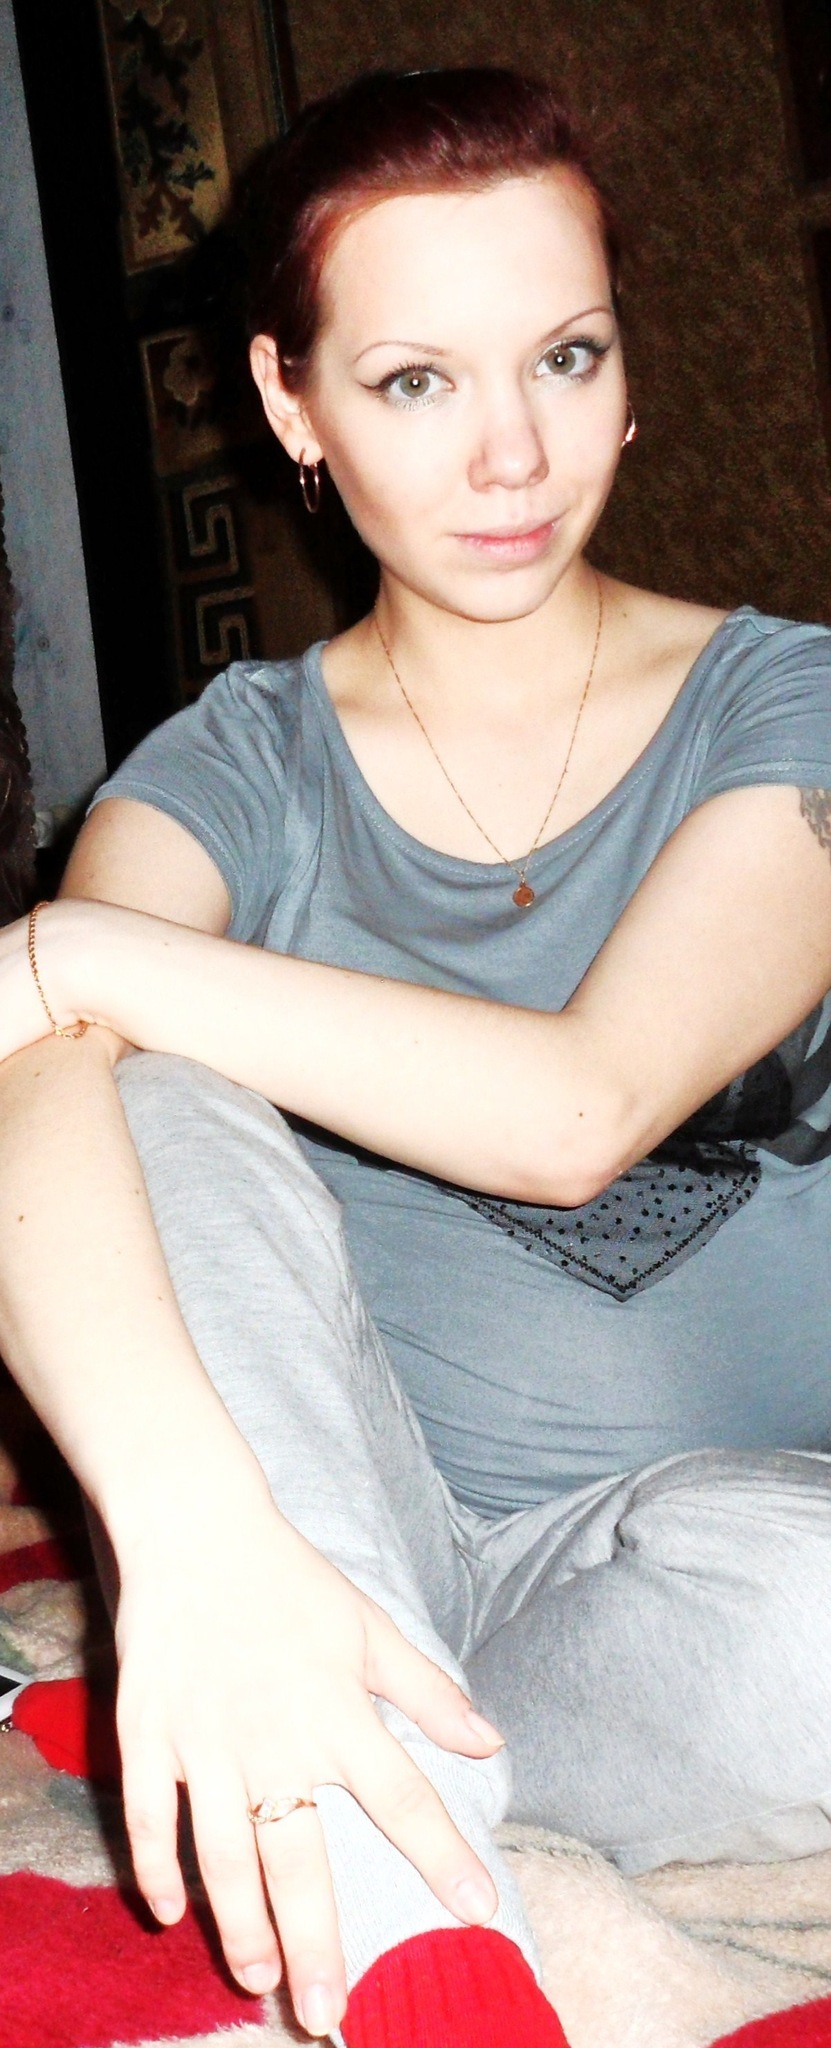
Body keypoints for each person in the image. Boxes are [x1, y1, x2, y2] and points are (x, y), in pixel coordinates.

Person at [1, 64, 831, 2048]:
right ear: (291, 404)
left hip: (720, 1560)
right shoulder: (234, 769)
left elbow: (580, 1110)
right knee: (133, 1078)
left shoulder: (788, 710)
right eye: (413, 381)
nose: (510, 453)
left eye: (563, 356)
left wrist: (65, 947)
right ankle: (413, 1951)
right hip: (345, 1530)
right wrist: (194, 1542)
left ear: (625, 369)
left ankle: (340, 1752)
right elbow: (33, 1100)